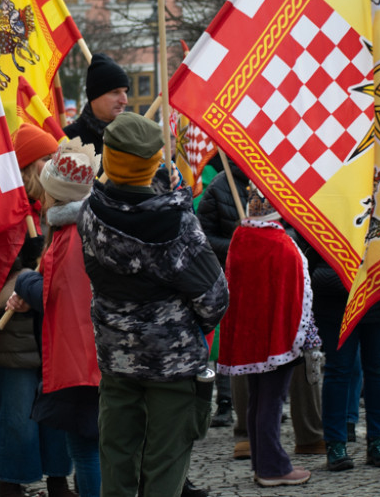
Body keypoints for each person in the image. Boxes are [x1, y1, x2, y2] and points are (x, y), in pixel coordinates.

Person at [78, 113, 228, 497]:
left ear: (108, 160)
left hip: (116, 359)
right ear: (153, 163)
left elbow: (127, 200)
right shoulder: (177, 223)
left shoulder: (90, 215)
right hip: (172, 365)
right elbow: (215, 299)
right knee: (165, 466)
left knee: (117, 461)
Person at [8, 138, 102, 497]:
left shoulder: (71, 234)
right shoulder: (88, 226)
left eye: (47, 192)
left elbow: (56, 292)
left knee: (86, 449)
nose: (42, 198)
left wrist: (26, 282)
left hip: (80, 357)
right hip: (92, 354)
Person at [0, 124, 73, 497]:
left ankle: (58, 479)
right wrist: (22, 284)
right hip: (16, 332)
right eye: (45, 160)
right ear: (25, 168)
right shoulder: (6, 215)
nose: (53, 165)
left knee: (57, 411)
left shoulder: (59, 206)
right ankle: (9, 483)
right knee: (18, 414)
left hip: (53, 329)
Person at [311, 182, 380, 471]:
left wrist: (375, 247)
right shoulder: (328, 183)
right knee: (338, 369)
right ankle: (335, 444)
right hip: (337, 295)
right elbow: (308, 236)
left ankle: (378, 441)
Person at [216, 185, 318, 487]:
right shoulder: (280, 243)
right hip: (276, 336)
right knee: (270, 401)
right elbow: (296, 296)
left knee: (258, 399)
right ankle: (273, 467)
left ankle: (264, 463)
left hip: (249, 335)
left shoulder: (240, 237)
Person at [63, 53, 130, 153]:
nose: (124, 101)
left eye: (125, 92)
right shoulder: (67, 140)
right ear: (94, 96)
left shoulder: (132, 137)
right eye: (115, 92)